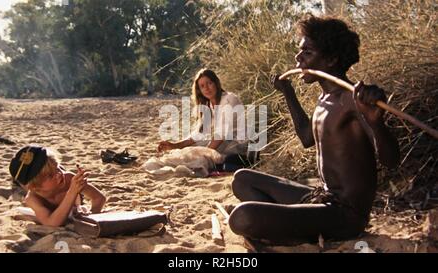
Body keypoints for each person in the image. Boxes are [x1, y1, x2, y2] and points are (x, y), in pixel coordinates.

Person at [228, 15, 400, 245]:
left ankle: (290, 231)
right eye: (300, 52)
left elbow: (391, 161)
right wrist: (288, 92)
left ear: (331, 60)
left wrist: (376, 122)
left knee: (242, 217)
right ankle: (294, 228)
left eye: (307, 52)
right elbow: (307, 137)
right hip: (322, 198)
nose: (298, 58)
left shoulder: (352, 100)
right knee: (241, 179)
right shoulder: (325, 97)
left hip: (345, 215)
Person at [158, 69, 257, 171]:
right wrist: (175, 145)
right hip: (220, 143)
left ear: (216, 83)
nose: (207, 88)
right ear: (199, 90)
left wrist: (204, 152)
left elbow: (221, 134)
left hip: (236, 146)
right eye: (202, 86)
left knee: (197, 158)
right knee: (187, 153)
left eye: (209, 83)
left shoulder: (229, 99)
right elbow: (198, 135)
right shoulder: (208, 106)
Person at [9, 145, 106, 227]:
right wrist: (72, 192)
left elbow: (99, 198)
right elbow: (51, 223)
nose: (59, 174)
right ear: (35, 187)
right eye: (51, 175)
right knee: (18, 192)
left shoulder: (68, 179)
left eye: (57, 168)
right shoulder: (33, 199)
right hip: (31, 191)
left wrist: (93, 216)